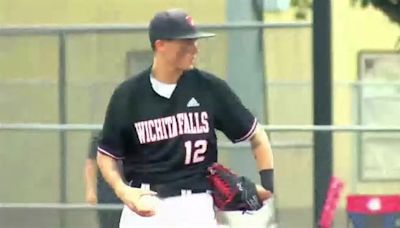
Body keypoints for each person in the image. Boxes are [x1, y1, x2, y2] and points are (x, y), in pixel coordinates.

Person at [96, 8, 274, 228]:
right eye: (185, 42)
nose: (194, 48)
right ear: (160, 45)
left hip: (195, 204)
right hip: (145, 204)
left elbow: (257, 135)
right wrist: (124, 191)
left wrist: (268, 185)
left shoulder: (209, 88)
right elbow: (106, 156)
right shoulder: (128, 95)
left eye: (194, 41)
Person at [84, 130, 122, 228]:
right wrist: (90, 190)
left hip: (133, 192)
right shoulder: (101, 135)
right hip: (108, 194)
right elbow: (91, 163)